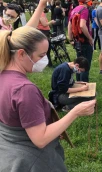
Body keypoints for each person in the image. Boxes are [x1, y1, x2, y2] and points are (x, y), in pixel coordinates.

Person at [0, 26, 96, 171]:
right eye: (40, 55)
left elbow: (16, 120)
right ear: (21, 54)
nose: (44, 60)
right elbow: (40, 139)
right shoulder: (24, 90)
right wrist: (75, 112)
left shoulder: (3, 76)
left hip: (10, 155)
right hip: (33, 160)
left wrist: (54, 129)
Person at [68, 0, 93, 82]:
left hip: (77, 41)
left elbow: (69, 25)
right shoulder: (84, 10)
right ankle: (84, 84)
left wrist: (70, 39)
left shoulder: (74, 9)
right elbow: (82, 25)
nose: (91, 0)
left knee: (78, 64)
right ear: (86, 0)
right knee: (85, 65)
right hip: (85, 41)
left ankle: (78, 83)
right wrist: (90, 38)